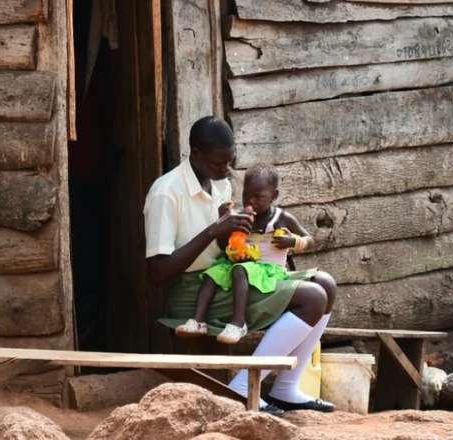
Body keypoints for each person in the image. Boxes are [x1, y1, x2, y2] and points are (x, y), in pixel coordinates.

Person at [144, 116, 337, 414]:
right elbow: (157, 273)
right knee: (313, 297)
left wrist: (240, 239)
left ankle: (286, 388)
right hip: (193, 291)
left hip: (227, 277)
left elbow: (224, 247)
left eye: (230, 162)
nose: (227, 171)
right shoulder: (166, 192)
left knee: (326, 284)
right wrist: (214, 231)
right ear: (195, 154)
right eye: (219, 163)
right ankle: (244, 387)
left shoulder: (219, 186)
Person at [175, 162, 315, 345]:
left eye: (258, 196)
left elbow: (310, 240)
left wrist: (294, 242)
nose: (251, 201)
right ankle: (198, 321)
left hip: (269, 269)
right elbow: (225, 244)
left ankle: (238, 323)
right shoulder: (241, 216)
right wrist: (223, 222)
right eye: (246, 195)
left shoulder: (281, 219)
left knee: (240, 269)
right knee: (212, 273)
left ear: (274, 195)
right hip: (241, 264)